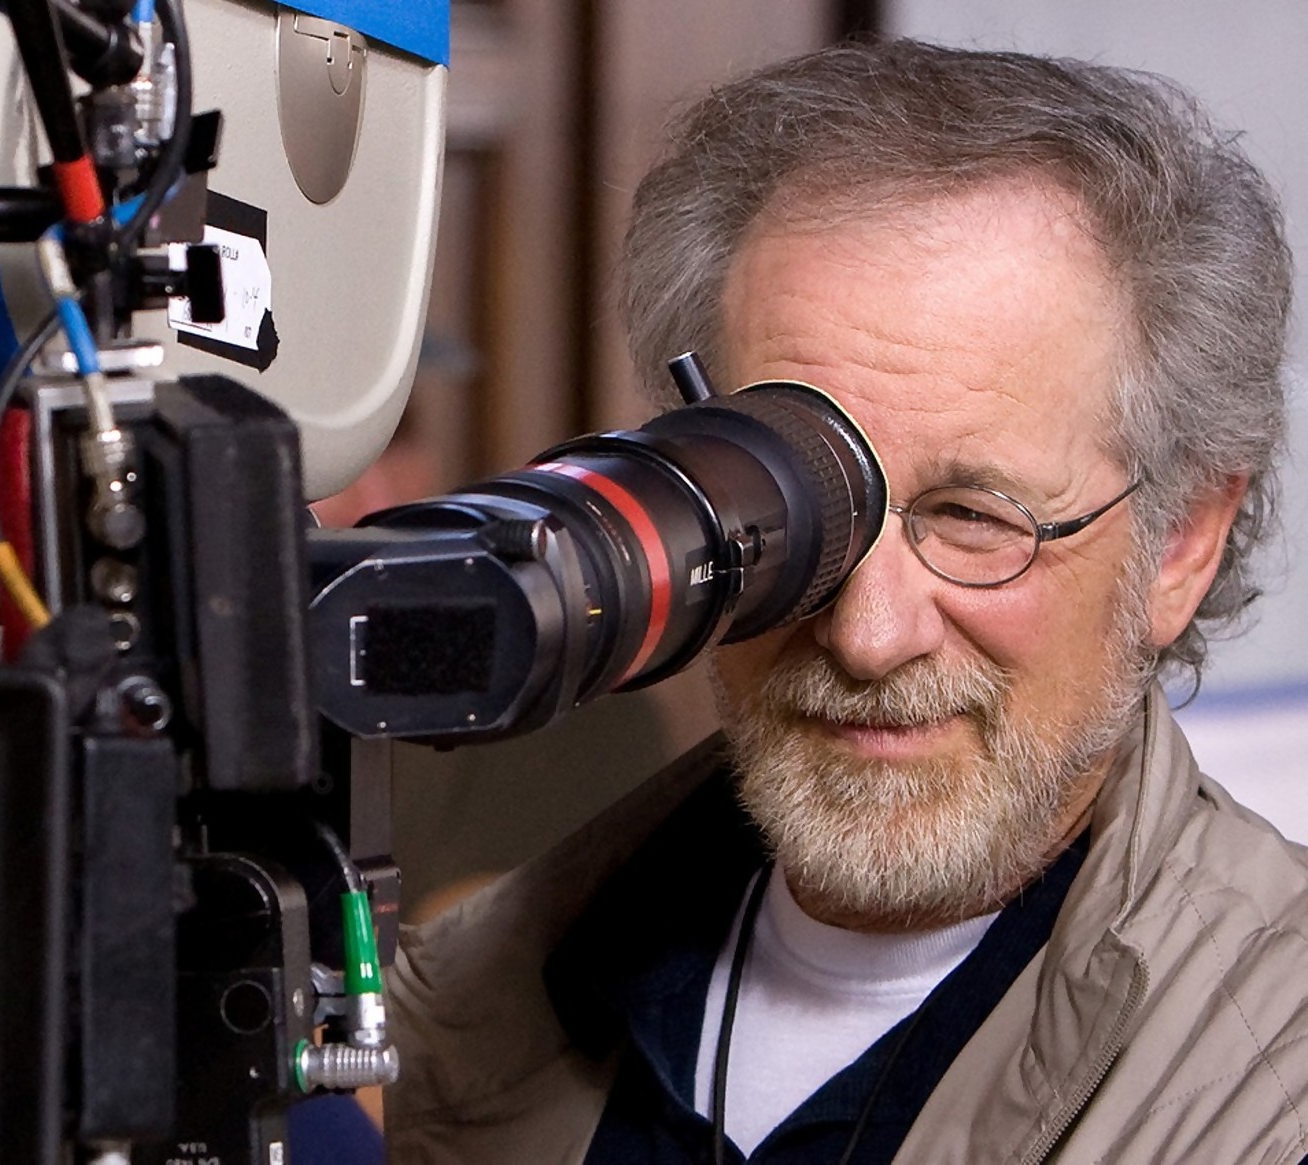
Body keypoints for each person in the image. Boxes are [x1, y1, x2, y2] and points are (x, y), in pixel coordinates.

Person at [386, 38, 1308, 1164]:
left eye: (975, 516)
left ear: (1182, 542)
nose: (869, 634)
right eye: (803, 511)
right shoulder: (473, 1007)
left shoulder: (1274, 1079)